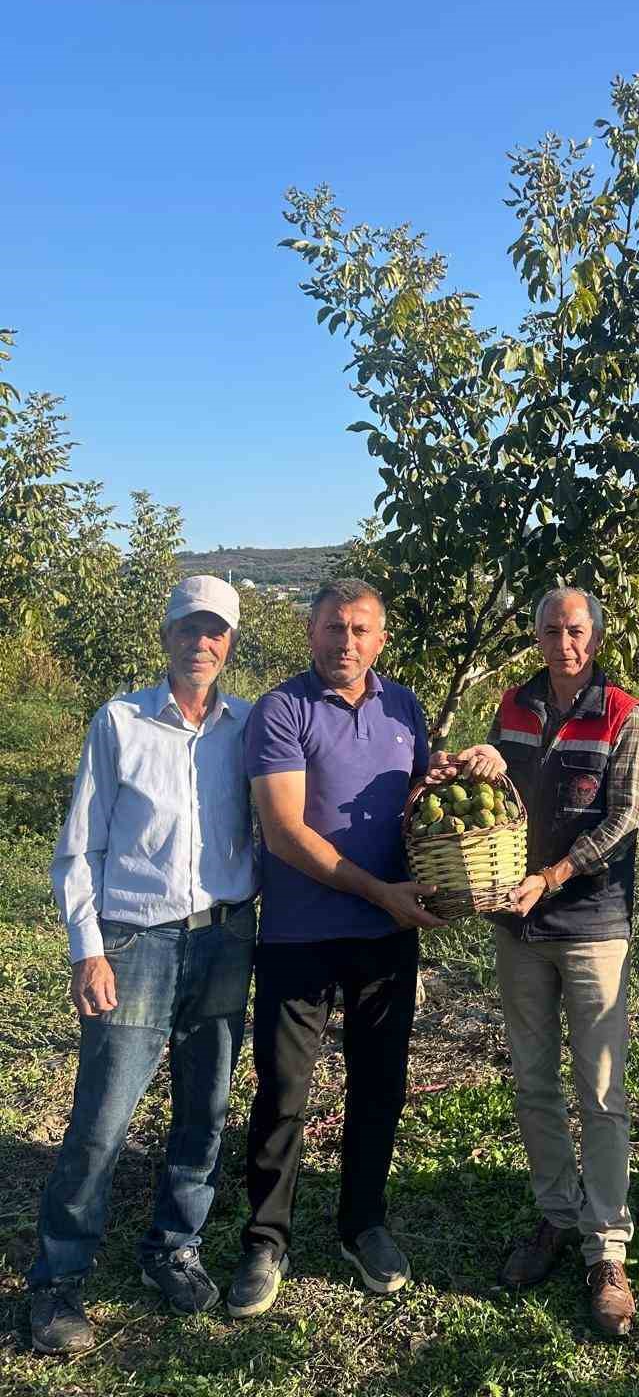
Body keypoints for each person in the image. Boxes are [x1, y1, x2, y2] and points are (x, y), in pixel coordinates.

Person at [28, 576, 257, 1355]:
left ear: (230, 645)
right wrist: (87, 948)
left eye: (216, 631)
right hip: (136, 942)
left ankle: (174, 1244)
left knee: (206, 1109)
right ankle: (57, 1281)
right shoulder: (119, 722)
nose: (202, 642)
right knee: (102, 1120)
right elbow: (79, 847)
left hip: (225, 936)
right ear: (165, 637)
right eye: (189, 628)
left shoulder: (247, 727)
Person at [227, 578, 448, 1319]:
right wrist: (379, 890)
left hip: (386, 936)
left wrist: (467, 767)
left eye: (360, 629)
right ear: (310, 632)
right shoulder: (281, 709)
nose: (345, 642)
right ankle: (266, 1238)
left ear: (380, 638)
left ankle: (363, 1224)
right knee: (284, 1091)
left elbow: (425, 802)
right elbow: (285, 832)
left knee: (378, 1087)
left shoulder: (404, 706)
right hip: (301, 933)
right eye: (332, 627)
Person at [480, 587, 639, 1338]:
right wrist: (480, 763)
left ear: (596, 637)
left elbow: (626, 817)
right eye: (551, 629)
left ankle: (607, 1247)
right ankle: (554, 1215)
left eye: (576, 630)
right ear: (538, 635)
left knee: (603, 1090)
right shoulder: (512, 706)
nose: (563, 642)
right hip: (517, 926)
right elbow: (498, 800)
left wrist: (550, 876)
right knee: (534, 1081)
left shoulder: (623, 714)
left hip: (590, 924)